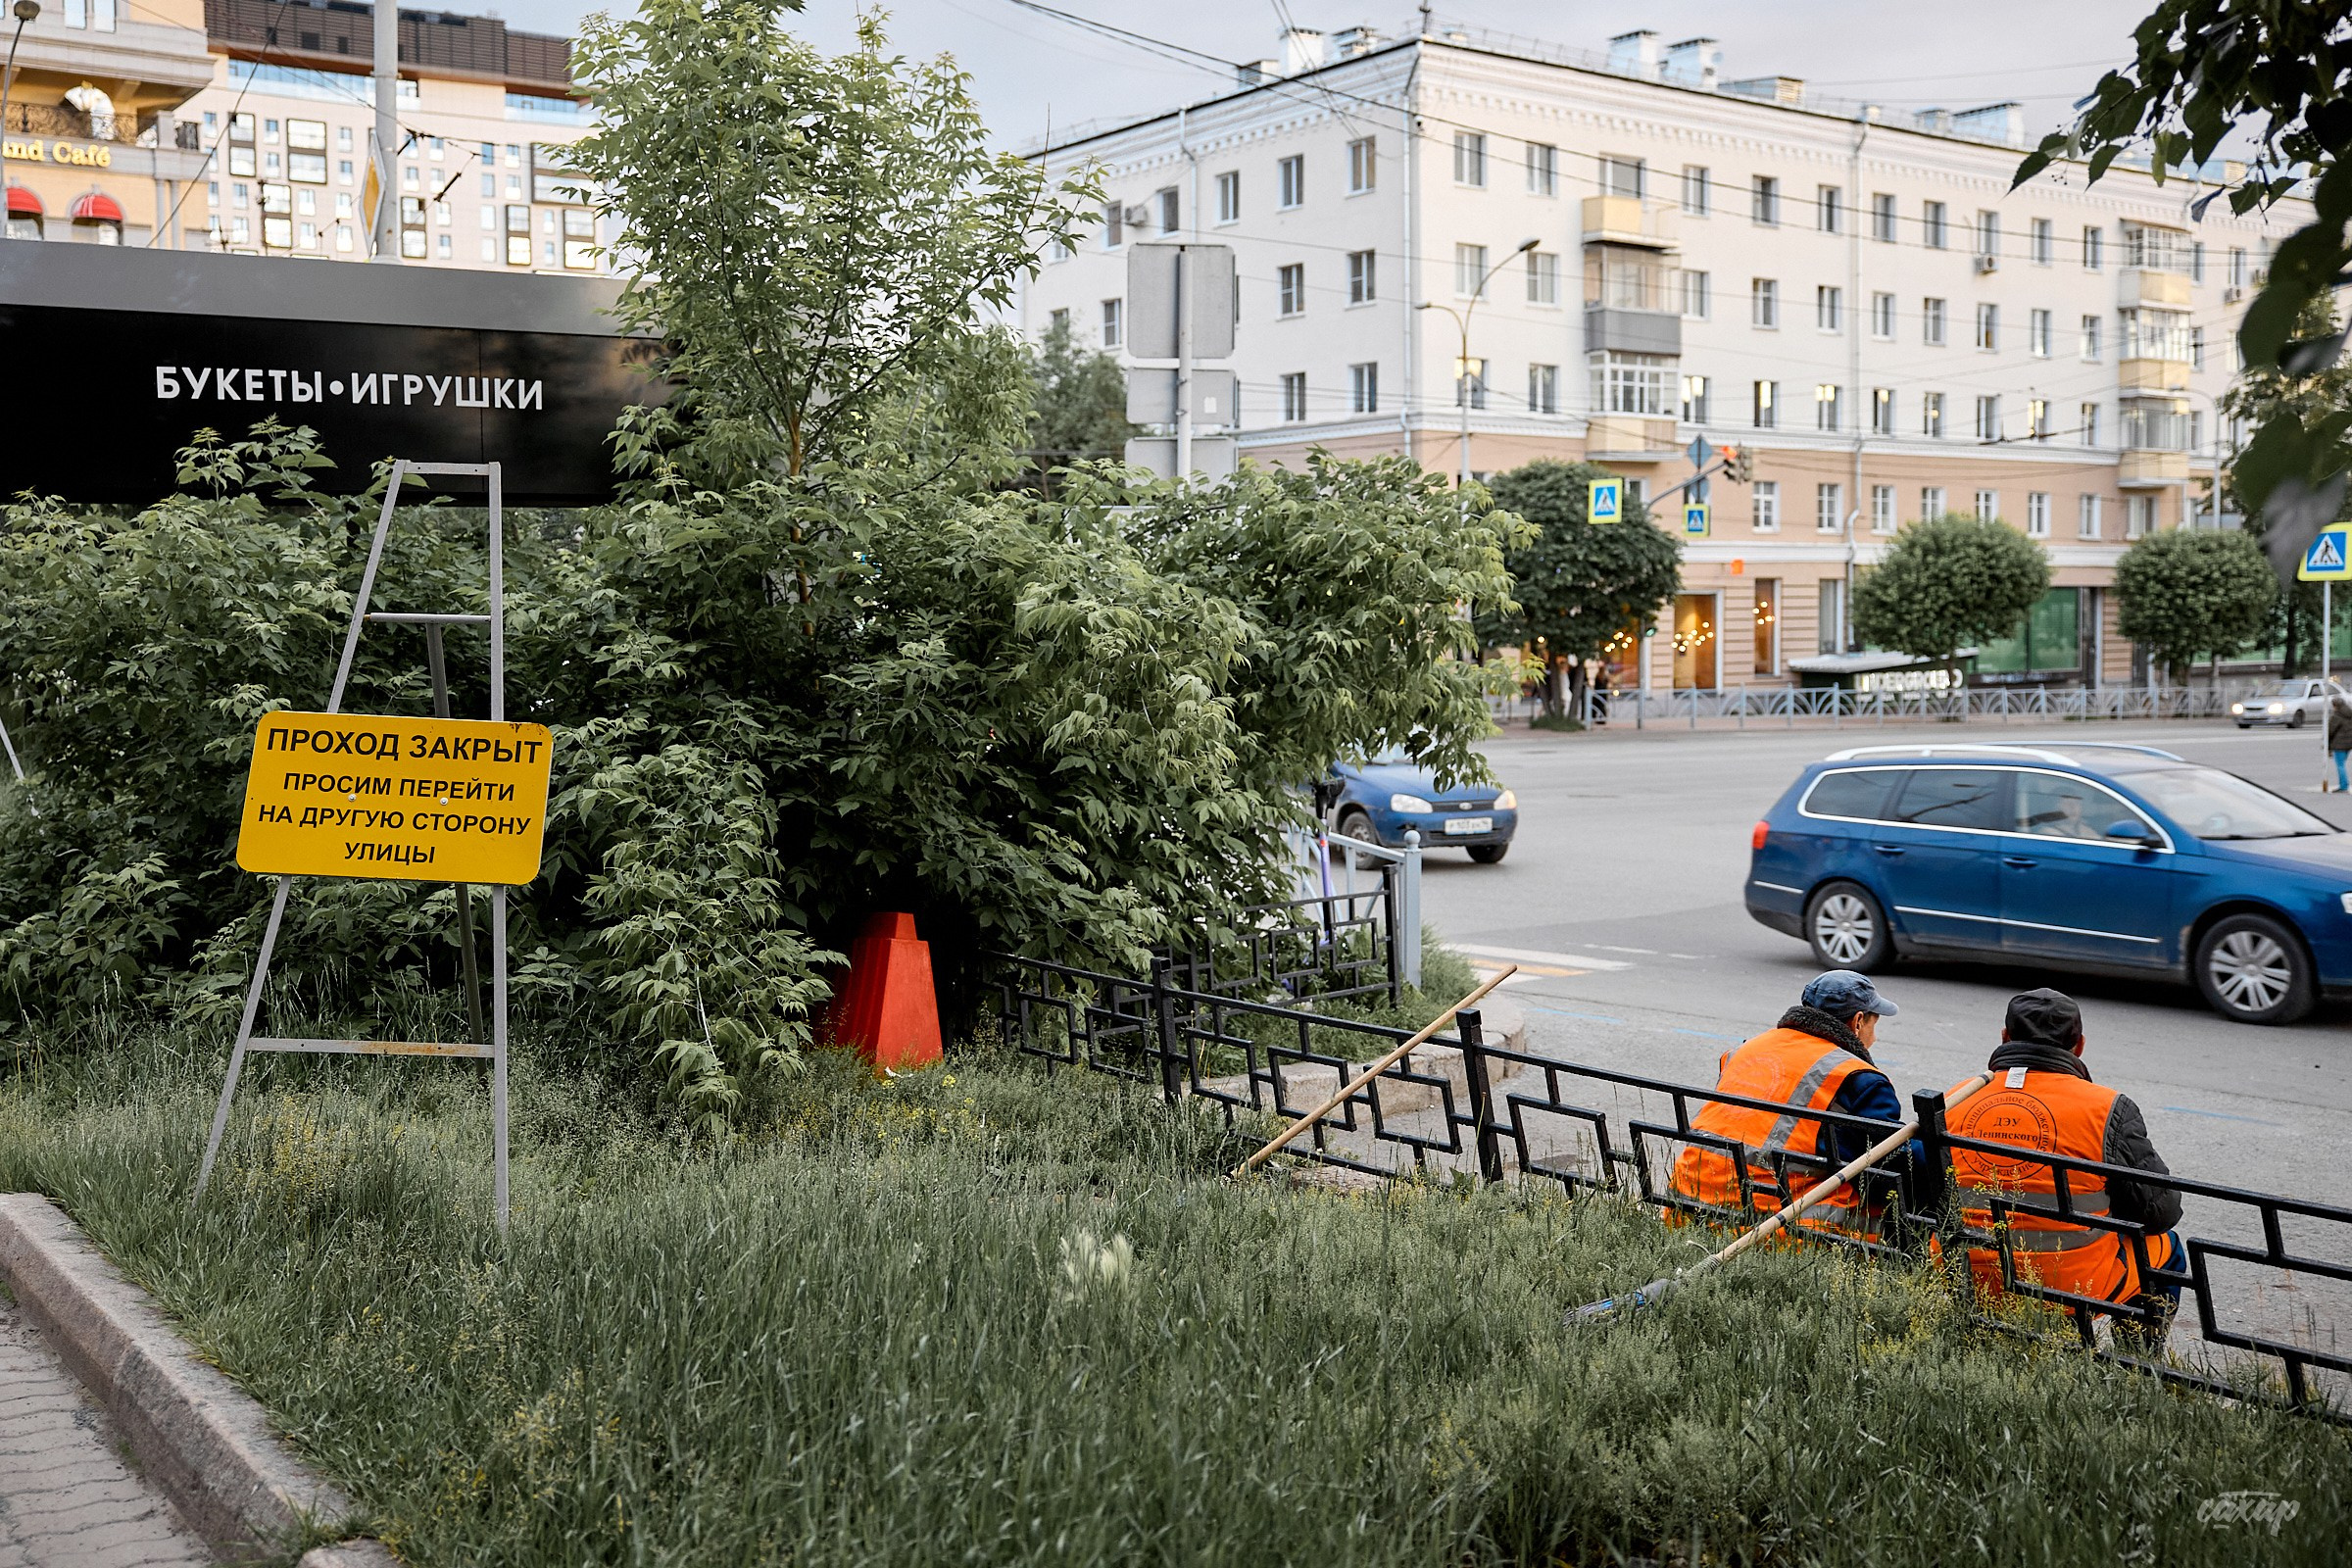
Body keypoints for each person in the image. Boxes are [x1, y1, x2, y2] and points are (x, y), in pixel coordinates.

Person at [1946, 988, 2185, 1349]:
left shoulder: (1957, 1096)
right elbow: (2160, 1212)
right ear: (2080, 1046)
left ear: (2005, 1037)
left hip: (1963, 1275)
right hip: (2069, 1291)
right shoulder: (2107, 1108)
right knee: (2167, 1247)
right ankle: (2137, 1363)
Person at [1670, 970, 1914, 1241]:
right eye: (1873, 1025)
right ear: (1858, 1022)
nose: (1874, 1037)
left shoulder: (1745, 1050)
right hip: (1770, 1223)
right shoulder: (1857, 1078)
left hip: (1686, 1202)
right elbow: (1893, 1167)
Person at [2328, 689, 2351, 794]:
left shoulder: (2337, 716)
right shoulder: (2349, 714)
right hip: (2349, 744)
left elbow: (2330, 731)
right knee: (2343, 764)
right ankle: (2344, 784)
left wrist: (2327, 746)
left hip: (2339, 744)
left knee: (2340, 765)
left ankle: (2344, 786)